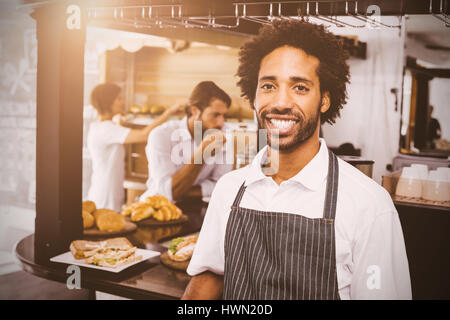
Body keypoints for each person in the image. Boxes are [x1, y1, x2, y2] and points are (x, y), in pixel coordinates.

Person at [182, 20, 412, 300]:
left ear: (325, 100)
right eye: (268, 85)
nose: (280, 102)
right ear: (253, 95)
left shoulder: (369, 206)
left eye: (300, 87)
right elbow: (209, 276)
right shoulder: (230, 189)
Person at [87, 83, 181, 212]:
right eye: (118, 99)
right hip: (104, 196)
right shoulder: (106, 130)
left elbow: (114, 132)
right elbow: (145, 135)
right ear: (108, 103)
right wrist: (168, 113)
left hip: (107, 192)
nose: (122, 102)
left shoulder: (102, 127)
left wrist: (118, 123)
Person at [139, 81, 234, 203]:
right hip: (158, 209)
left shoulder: (224, 132)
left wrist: (181, 191)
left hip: (197, 208)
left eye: (223, 116)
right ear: (194, 110)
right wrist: (201, 154)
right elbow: (169, 193)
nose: (221, 122)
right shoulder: (161, 135)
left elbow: (220, 185)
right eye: (215, 115)